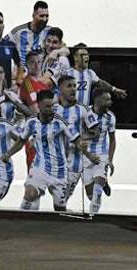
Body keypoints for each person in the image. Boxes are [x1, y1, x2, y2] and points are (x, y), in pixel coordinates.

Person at [18, 89, 96, 212]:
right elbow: (21, 141)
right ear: (39, 105)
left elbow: (77, 140)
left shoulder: (61, 122)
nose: (51, 109)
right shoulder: (32, 122)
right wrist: (7, 154)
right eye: (47, 106)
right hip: (40, 167)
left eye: (53, 106)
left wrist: (85, 150)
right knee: (30, 194)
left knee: (59, 208)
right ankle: (17, 221)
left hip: (59, 171)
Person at [53, 73, 96, 207]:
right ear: (60, 89)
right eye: (69, 86)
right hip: (56, 162)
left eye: (74, 86)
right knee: (58, 203)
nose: (73, 89)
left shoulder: (82, 109)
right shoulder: (53, 109)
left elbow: (96, 131)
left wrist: (78, 139)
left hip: (74, 163)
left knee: (61, 202)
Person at [18, 48, 54, 170]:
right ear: (27, 65)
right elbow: (36, 111)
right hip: (34, 131)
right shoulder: (27, 83)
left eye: (39, 62)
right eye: (33, 62)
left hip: (44, 129)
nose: (36, 65)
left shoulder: (43, 84)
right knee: (34, 168)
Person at [83, 86, 117, 215]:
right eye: (107, 100)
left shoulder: (110, 117)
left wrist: (110, 160)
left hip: (101, 156)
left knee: (96, 195)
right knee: (90, 195)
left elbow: (112, 139)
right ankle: (103, 183)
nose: (110, 102)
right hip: (86, 156)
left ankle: (92, 219)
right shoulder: (86, 114)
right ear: (97, 101)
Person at [10, 0, 51, 78]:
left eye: (47, 16)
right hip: (22, 76)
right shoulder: (18, 31)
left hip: (40, 77)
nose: (45, 19)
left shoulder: (49, 31)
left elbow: (64, 48)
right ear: (33, 15)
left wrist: (56, 52)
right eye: (41, 16)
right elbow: (3, 44)